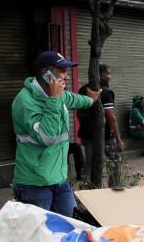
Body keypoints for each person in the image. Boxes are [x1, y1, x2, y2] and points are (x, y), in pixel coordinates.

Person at [12, 51, 99, 216]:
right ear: (47, 74)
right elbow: (47, 136)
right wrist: (54, 99)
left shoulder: (58, 96)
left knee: (72, 224)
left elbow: (75, 99)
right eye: (62, 71)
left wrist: (91, 100)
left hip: (59, 179)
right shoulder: (25, 102)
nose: (66, 77)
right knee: (38, 235)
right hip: (35, 184)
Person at [77, 63, 124, 179]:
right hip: (105, 137)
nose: (110, 76)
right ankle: (114, 189)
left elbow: (79, 113)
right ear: (101, 75)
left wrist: (86, 125)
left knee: (89, 165)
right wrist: (118, 140)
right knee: (115, 163)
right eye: (108, 73)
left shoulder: (83, 89)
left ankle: (88, 190)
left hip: (87, 136)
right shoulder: (106, 92)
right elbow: (111, 118)